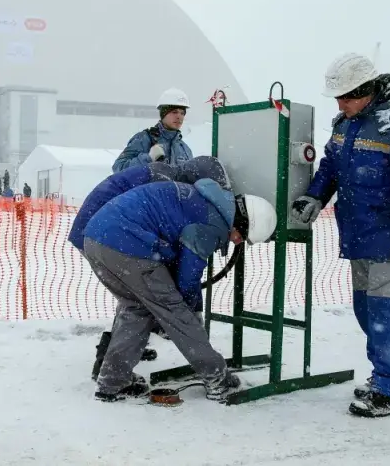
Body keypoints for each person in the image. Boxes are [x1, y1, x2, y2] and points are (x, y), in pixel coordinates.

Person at [291, 53, 390, 418]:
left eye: (346, 97)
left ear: (367, 90)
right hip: (358, 236)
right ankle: (383, 376)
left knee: (385, 314)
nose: (341, 104)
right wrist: (315, 196)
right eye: (338, 98)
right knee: (365, 310)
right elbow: (331, 167)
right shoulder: (346, 123)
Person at [82, 177, 277, 402]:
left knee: (137, 307)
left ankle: (113, 382)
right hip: (129, 245)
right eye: (242, 238)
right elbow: (187, 278)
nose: (237, 243)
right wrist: (189, 310)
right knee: (176, 312)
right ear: (242, 223)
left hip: (97, 238)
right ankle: (216, 378)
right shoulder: (214, 225)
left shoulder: (207, 201)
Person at [67, 156, 233, 380]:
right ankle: (110, 365)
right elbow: (146, 221)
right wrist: (189, 308)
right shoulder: (162, 179)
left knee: (136, 301)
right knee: (149, 298)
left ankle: (114, 371)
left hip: (101, 231)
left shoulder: (168, 178)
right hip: (112, 233)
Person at [112, 88, 194, 172]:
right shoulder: (144, 139)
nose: (179, 117)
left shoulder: (185, 149)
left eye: (182, 113)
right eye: (174, 112)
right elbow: (119, 168)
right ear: (163, 113)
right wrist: (149, 157)